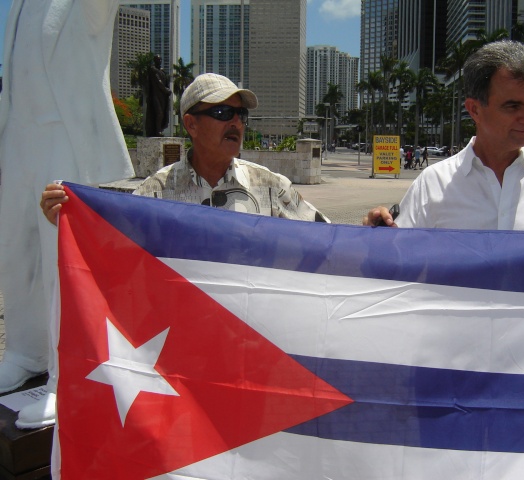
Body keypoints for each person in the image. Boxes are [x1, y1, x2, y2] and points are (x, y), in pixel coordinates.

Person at [0, 0, 135, 431]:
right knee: (16, 251)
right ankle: (24, 351)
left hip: (66, 137)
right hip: (18, 135)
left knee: (63, 259)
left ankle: (68, 373)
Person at [363, 40, 524, 231]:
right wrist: (376, 231)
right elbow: (397, 260)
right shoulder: (434, 184)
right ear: (475, 110)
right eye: (513, 106)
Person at [42, 72, 329, 225]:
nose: (236, 124)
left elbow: (327, 238)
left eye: (240, 115)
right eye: (222, 113)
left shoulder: (270, 187)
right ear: (191, 124)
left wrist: (372, 228)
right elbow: (111, 243)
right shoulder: (153, 194)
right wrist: (68, 219)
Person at [146, 54, 171, 137]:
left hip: (163, 96)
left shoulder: (163, 71)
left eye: (160, 60)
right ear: (154, 61)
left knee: (163, 114)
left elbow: (166, 81)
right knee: (158, 113)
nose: (159, 61)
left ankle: (160, 129)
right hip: (155, 95)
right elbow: (158, 81)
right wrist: (166, 90)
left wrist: (167, 90)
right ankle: (157, 131)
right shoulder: (153, 70)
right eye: (157, 60)